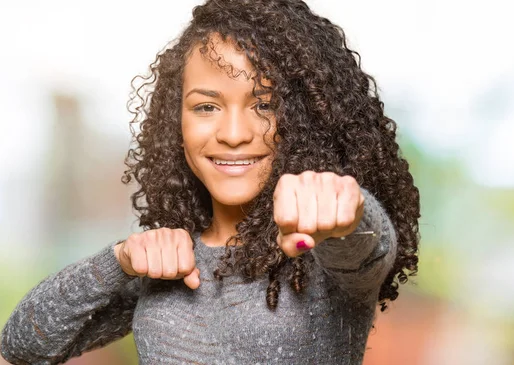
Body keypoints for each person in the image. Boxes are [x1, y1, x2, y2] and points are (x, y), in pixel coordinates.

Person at [0, 0, 420, 364]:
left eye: (264, 105)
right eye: (206, 106)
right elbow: (22, 348)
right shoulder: (169, 262)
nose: (234, 133)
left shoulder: (326, 246)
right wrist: (118, 261)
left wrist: (345, 208)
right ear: (175, 122)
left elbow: (366, 244)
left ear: (307, 117)